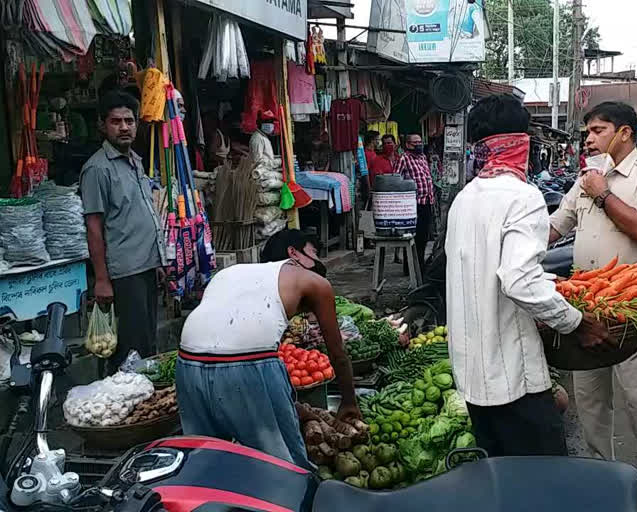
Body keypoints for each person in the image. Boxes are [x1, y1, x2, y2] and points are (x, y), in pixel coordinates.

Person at [445, 94, 615, 457]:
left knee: (502, 477)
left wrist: (551, 287)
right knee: (545, 482)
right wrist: (576, 322)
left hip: (472, 374)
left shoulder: (464, 198)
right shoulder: (523, 197)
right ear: (521, 141)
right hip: (512, 378)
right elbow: (518, 280)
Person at [549, 101, 637, 500]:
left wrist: (603, 195)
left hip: (628, 308)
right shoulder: (588, 177)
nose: (589, 137)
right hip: (584, 304)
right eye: (588, 131)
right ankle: (603, 480)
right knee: (589, 399)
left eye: (598, 130)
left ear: (624, 133)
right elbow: (554, 228)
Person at [176, 229, 361, 468]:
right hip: (245, 364)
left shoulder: (236, 272)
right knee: (281, 467)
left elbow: (228, 336)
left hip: (187, 363)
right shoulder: (315, 282)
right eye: (315, 253)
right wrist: (348, 403)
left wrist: (294, 407)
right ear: (295, 254)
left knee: (207, 459)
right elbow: (337, 354)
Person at [80, 91, 165, 372]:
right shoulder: (97, 169)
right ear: (103, 126)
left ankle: (147, 401)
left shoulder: (136, 161)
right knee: (130, 347)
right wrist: (102, 279)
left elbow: (142, 215)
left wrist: (159, 260)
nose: (125, 127)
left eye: (129, 120)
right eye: (116, 121)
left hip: (146, 266)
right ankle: (127, 405)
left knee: (147, 341)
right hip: (124, 272)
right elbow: (94, 227)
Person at [395, 133, 435, 271]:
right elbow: (396, 179)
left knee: (424, 236)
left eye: (420, 142)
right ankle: (410, 266)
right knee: (413, 236)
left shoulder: (423, 157)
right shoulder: (404, 158)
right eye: (415, 142)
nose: (419, 145)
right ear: (407, 145)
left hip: (427, 201)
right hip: (413, 203)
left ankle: (419, 264)